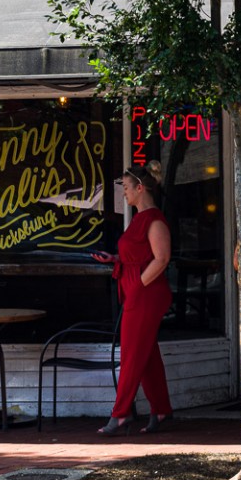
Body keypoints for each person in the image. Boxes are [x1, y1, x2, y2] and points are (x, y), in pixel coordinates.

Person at [93, 166, 174, 435]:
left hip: (145, 293)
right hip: (137, 290)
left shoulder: (154, 220)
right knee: (146, 354)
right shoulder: (139, 218)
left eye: (126, 188)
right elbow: (140, 255)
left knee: (130, 354)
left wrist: (138, 285)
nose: (124, 193)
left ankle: (121, 414)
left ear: (140, 188)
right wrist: (116, 259)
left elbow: (162, 259)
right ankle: (161, 410)